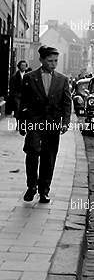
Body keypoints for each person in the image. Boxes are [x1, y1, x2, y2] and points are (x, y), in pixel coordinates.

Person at [17, 46, 71, 203]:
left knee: (49, 157)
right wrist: (21, 123)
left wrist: (65, 122)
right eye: (50, 61)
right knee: (32, 154)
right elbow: (23, 102)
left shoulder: (62, 79)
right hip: (35, 122)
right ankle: (31, 186)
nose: (53, 64)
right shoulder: (29, 77)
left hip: (53, 123)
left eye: (56, 61)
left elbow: (67, 103)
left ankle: (44, 190)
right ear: (41, 60)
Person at [9, 60, 28, 126]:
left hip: (26, 96)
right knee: (18, 110)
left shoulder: (29, 75)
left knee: (25, 110)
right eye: (22, 65)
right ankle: (19, 124)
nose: (23, 67)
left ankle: (23, 123)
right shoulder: (14, 76)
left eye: (25, 65)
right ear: (19, 66)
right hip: (17, 96)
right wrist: (14, 96)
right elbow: (12, 88)